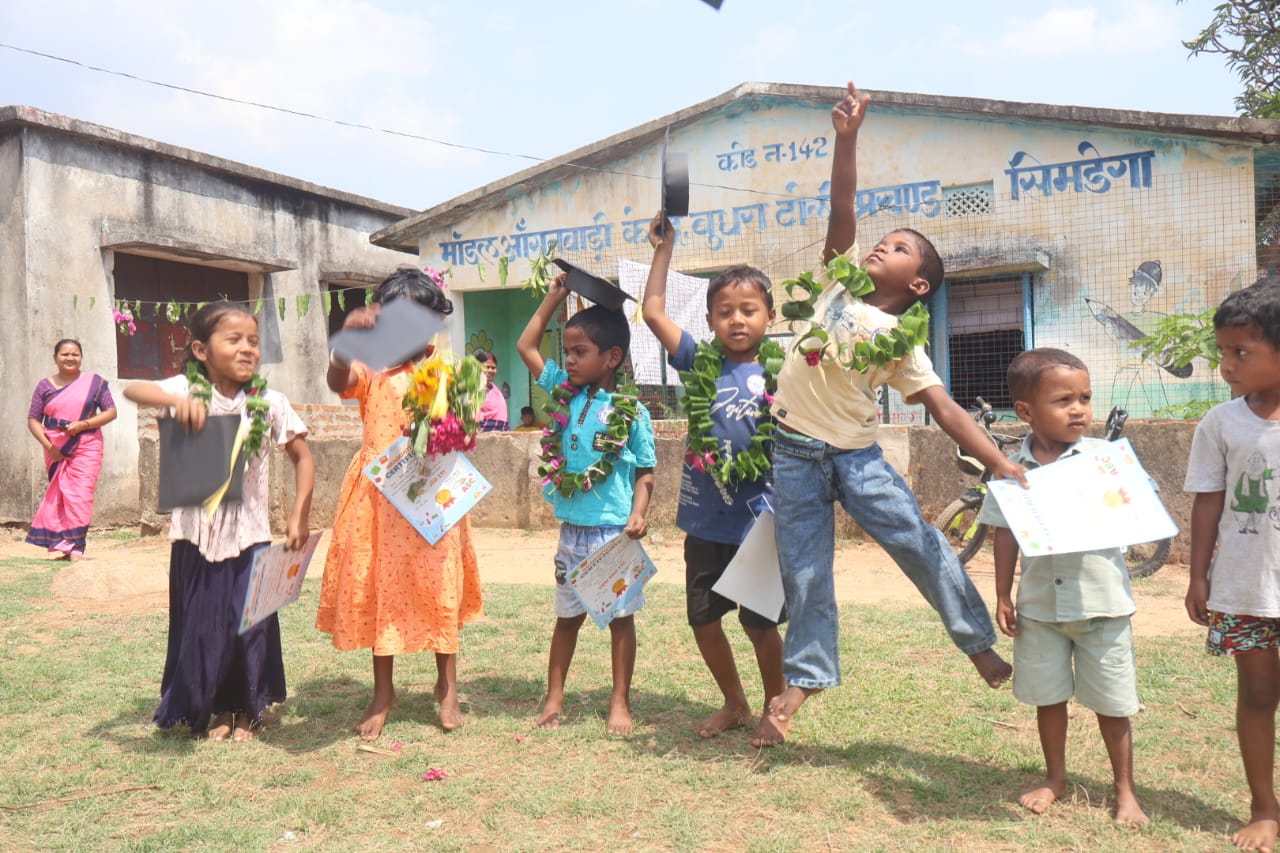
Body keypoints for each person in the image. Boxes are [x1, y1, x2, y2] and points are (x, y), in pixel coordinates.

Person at [765, 81, 1027, 739]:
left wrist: (997, 462)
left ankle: (979, 647)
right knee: (804, 570)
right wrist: (846, 139)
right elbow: (843, 209)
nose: (883, 244)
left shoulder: (901, 341)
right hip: (793, 453)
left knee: (919, 541)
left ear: (917, 285)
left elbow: (944, 408)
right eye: (885, 239)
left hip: (856, 459)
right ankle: (803, 680)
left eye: (901, 247)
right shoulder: (835, 287)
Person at [123, 302, 314, 741]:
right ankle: (211, 709)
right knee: (202, 623)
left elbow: (303, 458)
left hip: (251, 536)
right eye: (234, 340)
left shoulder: (270, 401)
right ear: (201, 350)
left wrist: (298, 513)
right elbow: (135, 390)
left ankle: (245, 709)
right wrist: (176, 402)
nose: (247, 349)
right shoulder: (185, 389)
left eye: (253, 341)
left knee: (248, 625)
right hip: (195, 537)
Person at [980, 348, 1148, 824]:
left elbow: (1137, 510)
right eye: (1064, 400)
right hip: (1040, 608)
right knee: (1048, 697)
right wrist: (1003, 595)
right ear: (1027, 412)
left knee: (1113, 703)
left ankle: (1125, 791)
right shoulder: (1012, 470)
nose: (1079, 409)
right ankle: (1055, 777)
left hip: (1102, 604)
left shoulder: (1104, 461)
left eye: (1085, 398)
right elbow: (1005, 533)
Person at [317, 266, 484, 741]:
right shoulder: (370, 368)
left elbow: (464, 431)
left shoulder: (449, 371)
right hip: (378, 501)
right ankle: (382, 691)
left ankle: (447, 687)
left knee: (439, 585)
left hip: (432, 494)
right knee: (379, 588)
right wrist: (346, 340)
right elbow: (336, 381)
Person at [641, 211, 787, 747]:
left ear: (771, 316)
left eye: (749, 310)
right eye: (724, 311)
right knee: (702, 617)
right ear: (708, 320)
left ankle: (776, 708)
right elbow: (653, 312)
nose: (737, 320)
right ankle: (734, 701)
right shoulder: (699, 362)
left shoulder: (783, 370)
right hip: (705, 519)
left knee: (759, 623)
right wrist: (664, 249)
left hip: (759, 522)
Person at [516, 273, 656, 735]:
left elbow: (645, 472)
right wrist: (553, 298)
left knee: (620, 620)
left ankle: (620, 701)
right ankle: (553, 701)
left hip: (613, 533)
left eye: (580, 353)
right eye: (568, 352)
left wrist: (639, 513)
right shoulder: (564, 393)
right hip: (571, 532)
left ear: (611, 357)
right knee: (566, 619)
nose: (569, 360)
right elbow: (527, 347)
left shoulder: (631, 412)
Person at [1184, 278, 1280, 853]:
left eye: (1241, 352)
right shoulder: (1220, 424)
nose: (1226, 364)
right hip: (1245, 587)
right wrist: (1198, 575)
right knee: (1257, 695)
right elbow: (1207, 500)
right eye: (1222, 351)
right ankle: (1264, 808)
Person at [26, 339, 118, 561]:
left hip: (87, 444)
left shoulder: (94, 383)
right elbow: (33, 420)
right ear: (55, 358)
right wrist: (50, 447)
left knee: (81, 494)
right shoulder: (44, 386)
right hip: (55, 445)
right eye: (65, 354)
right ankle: (62, 544)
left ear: (81, 357)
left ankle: (77, 547)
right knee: (61, 495)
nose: (70, 358)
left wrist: (82, 425)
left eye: (75, 354)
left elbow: (111, 411)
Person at [474, 349, 508, 431]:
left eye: (493, 368)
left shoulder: (495, 390)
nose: (490, 370)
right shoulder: (474, 390)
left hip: (502, 433)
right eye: (486, 367)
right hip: (483, 435)